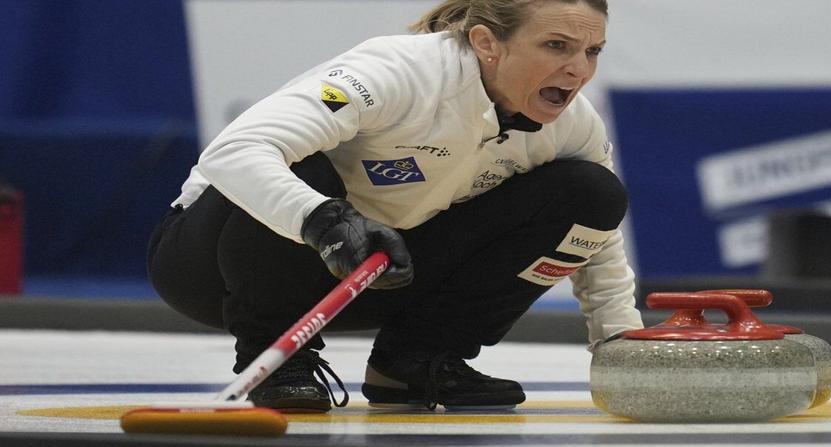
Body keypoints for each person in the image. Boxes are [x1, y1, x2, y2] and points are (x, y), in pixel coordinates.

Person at [147, 0, 641, 411]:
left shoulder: (572, 124)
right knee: (303, 165)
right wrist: (322, 219)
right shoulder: (395, 73)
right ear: (487, 43)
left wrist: (619, 342)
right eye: (556, 46)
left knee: (592, 192)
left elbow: (593, 236)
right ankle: (279, 358)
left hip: (379, 273)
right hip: (209, 268)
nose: (578, 69)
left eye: (592, 51)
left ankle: (415, 362)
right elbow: (233, 153)